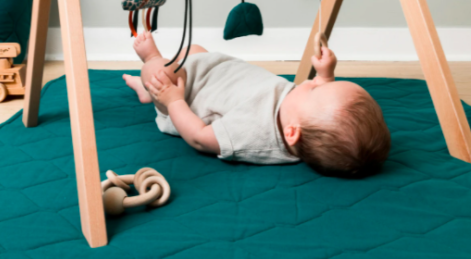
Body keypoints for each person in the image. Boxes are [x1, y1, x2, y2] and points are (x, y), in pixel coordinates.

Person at [123, 32, 390, 178]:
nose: (313, 83)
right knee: (194, 48)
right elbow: (321, 106)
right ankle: (146, 91)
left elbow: (199, 138)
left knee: (159, 71)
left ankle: (151, 77)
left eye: (317, 88)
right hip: (215, 69)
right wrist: (325, 74)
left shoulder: (254, 133)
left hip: (186, 92)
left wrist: (173, 100)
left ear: (292, 133)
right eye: (327, 84)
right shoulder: (303, 119)